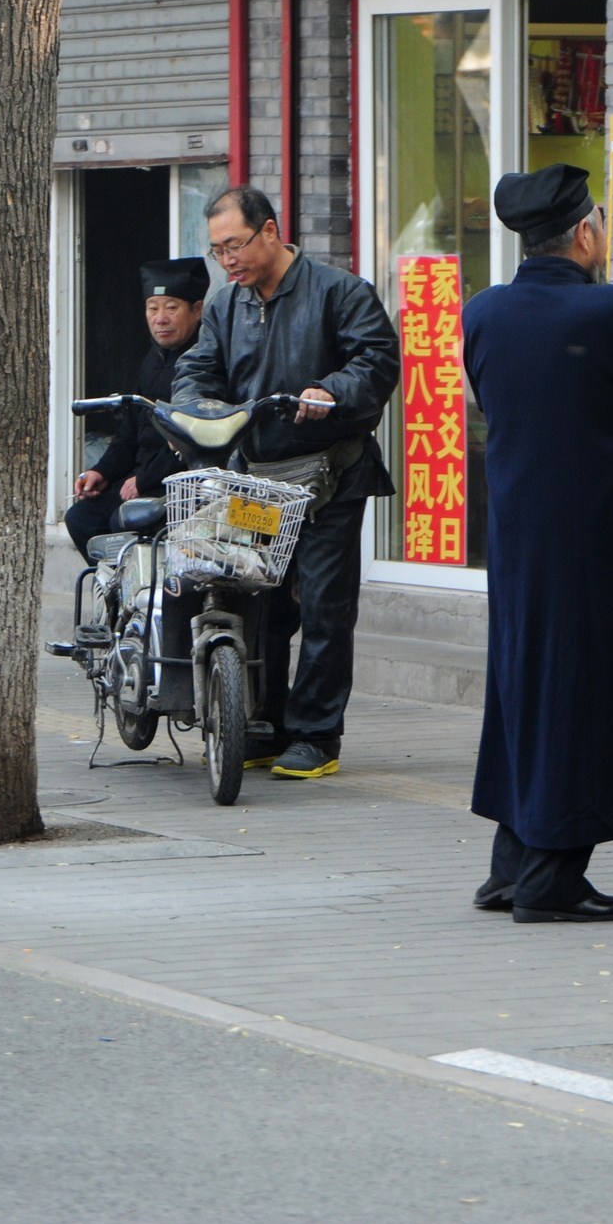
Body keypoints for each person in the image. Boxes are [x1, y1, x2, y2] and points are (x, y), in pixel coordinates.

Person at [464, 164, 613, 923]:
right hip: (602, 531)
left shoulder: (484, 312)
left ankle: (512, 861)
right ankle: (551, 875)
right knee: (587, 689)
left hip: (521, 533)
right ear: (585, 232)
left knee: (526, 680)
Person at [171, 186, 399, 780]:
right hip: (257, 482)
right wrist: (196, 405)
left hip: (330, 474)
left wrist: (333, 390)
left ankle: (316, 735)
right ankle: (264, 724)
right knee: (258, 605)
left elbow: (376, 361)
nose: (228, 261)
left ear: (270, 232)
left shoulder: (339, 291)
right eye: (218, 251)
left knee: (324, 606)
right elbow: (197, 367)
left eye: (236, 246)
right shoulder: (225, 306)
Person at [66, 256, 210, 559]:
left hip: (178, 484)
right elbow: (130, 430)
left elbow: (193, 439)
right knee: (81, 518)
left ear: (197, 309)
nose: (160, 318)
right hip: (140, 475)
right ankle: (119, 592)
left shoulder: (204, 361)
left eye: (172, 307)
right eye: (153, 307)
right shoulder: (152, 359)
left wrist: (144, 481)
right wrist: (102, 472)